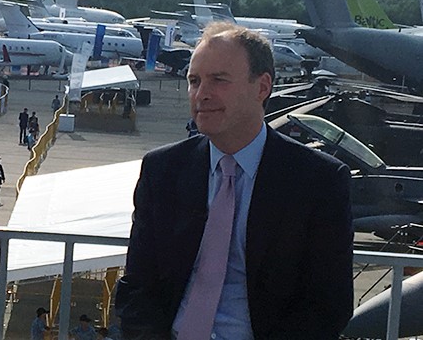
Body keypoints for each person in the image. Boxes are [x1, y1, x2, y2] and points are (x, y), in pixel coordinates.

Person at [115, 22, 353, 339]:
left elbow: (327, 305)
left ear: (262, 87)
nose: (202, 94)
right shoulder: (163, 170)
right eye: (194, 81)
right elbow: (137, 286)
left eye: (219, 80)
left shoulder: (317, 180)